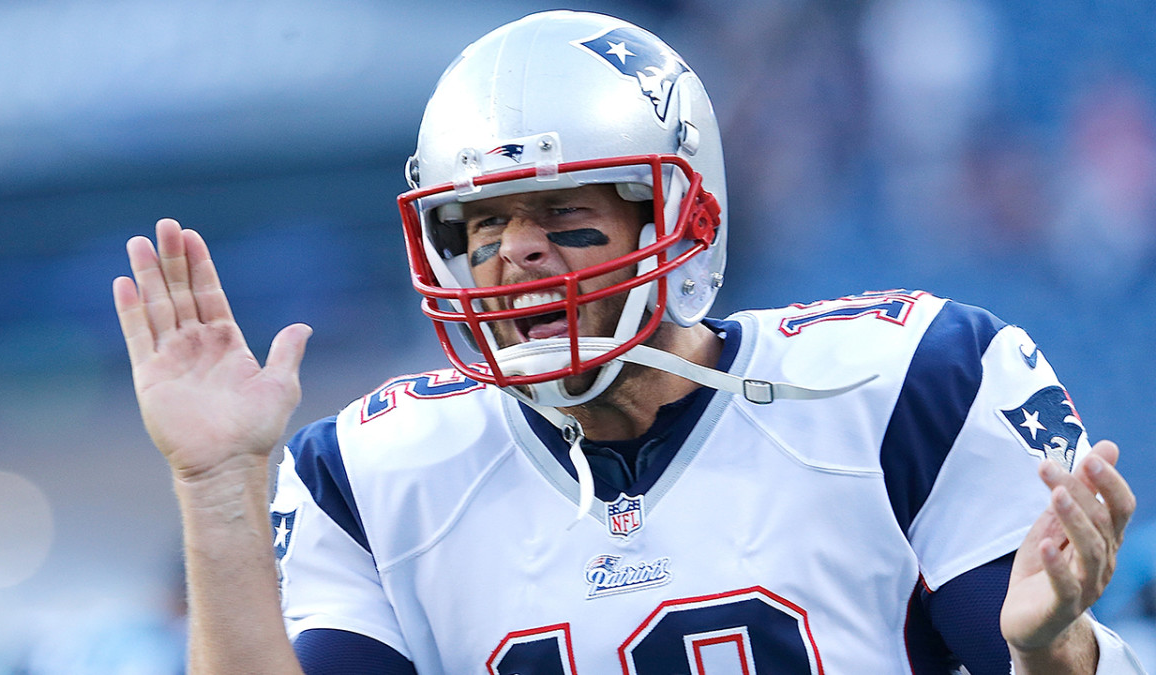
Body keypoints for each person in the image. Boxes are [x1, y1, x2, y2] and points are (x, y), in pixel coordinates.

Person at [112, 10, 1144, 675]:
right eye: (479, 232)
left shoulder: (909, 382)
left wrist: (1055, 653)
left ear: (681, 220)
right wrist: (217, 486)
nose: (514, 261)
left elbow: (1044, 656)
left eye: (564, 222)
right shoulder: (368, 474)